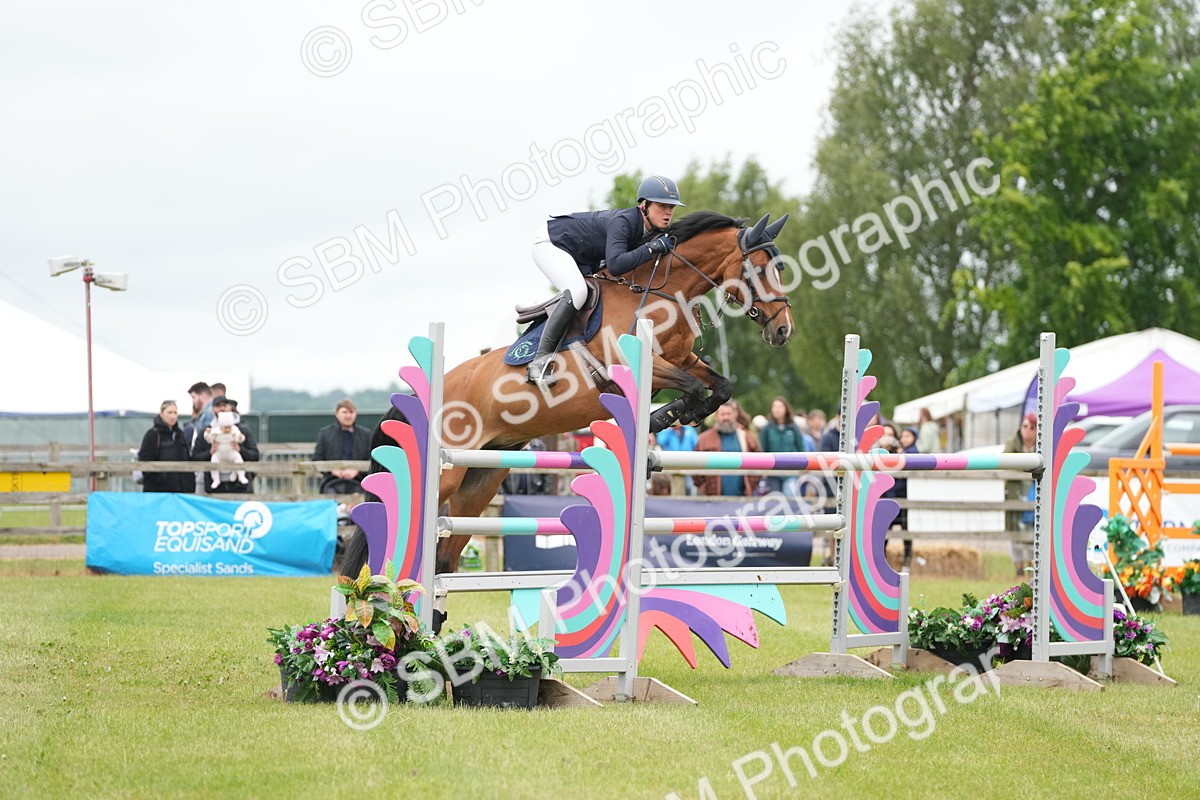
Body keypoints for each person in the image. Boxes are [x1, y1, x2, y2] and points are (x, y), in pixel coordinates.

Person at [526, 175, 686, 386]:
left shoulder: (651, 230)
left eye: (671, 207)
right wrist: (651, 249)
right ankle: (539, 362)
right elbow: (617, 264)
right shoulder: (625, 222)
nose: (668, 213)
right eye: (662, 206)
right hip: (551, 243)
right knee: (578, 291)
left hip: (583, 254)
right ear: (644, 205)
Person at [693, 401, 762, 497]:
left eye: (729, 414)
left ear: (735, 415)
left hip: (742, 498)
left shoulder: (747, 436)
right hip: (714, 499)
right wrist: (706, 488)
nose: (726, 417)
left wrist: (751, 485)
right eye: (722, 414)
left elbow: (759, 461)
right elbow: (694, 466)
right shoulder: (703, 439)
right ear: (716, 417)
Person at [191, 396, 259, 493]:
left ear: (230, 408)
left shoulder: (241, 430)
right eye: (218, 406)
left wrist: (240, 450)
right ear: (212, 410)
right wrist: (210, 452)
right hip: (214, 489)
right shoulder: (206, 432)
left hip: (240, 488)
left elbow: (255, 455)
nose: (222, 409)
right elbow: (195, 457)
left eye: (224, 405)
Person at [312, 398, 373, 494]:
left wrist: (357, 471)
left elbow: (371, 459)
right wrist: (333, 470)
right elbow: (317, 458)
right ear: (337, 414)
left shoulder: (366, 434)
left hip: (358, 481)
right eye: (345, 412)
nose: (348, 415)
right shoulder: (325, 433)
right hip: (331, 481)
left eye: (351, 412)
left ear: (355, 413)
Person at [1004, 412, 1038, 576]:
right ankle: (1018, 568)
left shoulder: (1041, 444)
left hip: (1034, 492)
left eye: (1032, 427)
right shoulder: (1012, 442)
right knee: (1014, 530)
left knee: (1033, 530)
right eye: (1025, 426)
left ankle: (1031, 568)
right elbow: (1004, 461)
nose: (1028, 430)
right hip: (1015, 491)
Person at [136, 400, 195, 493]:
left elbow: (187, 458)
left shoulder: (180, 435)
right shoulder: (153, 435)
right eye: (169, 412)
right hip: (159, 491)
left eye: (175, 413)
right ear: (161, 414)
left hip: (181, 491)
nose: (173, 416)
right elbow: (144, 461)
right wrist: (160, 480)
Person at [759, 396, 805, 496]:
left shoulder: (793, 428)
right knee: (776, 501)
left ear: (786, 408)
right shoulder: (766, 429)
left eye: (779, 406)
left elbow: (801, 448)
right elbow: (763, 450)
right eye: (774, 406)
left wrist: (802, 470)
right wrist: (764, 471)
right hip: (773, 472)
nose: (776, 409)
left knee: (791, 499)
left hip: (790, 471)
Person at [205, 410, 249, 489]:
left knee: (238, 459)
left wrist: (240, 437)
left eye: (229, 427)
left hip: (232, 452)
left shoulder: (235, 430)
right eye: (226, 427)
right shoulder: (215, 431)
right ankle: (216, 479)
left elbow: (241, 439)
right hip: (219, 453)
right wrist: (207, 434)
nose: (228, 429)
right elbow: (208, 439)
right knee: (213, 461)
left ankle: (241, 476)